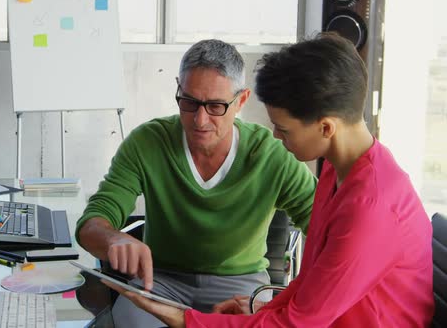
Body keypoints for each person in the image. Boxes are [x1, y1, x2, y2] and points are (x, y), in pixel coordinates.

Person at [105, 33, 435, 327]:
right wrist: (264, 308)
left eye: (284, 128)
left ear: (326, 128)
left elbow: (298, 323)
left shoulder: (371, 208)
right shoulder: (340, 169)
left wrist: (186, 320)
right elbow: (314, 285)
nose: (275, 135)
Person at [75, 39, 317, 327]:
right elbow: (92, 222)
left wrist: (283, 298)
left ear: (241, 100)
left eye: (215, 106)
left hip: (240, 287)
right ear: (178, 89)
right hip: (160, 282)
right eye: (189, 102)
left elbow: (326, 230)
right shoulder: (147, 142)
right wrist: (113, 238)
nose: (200, 120)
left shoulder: (271, 154)